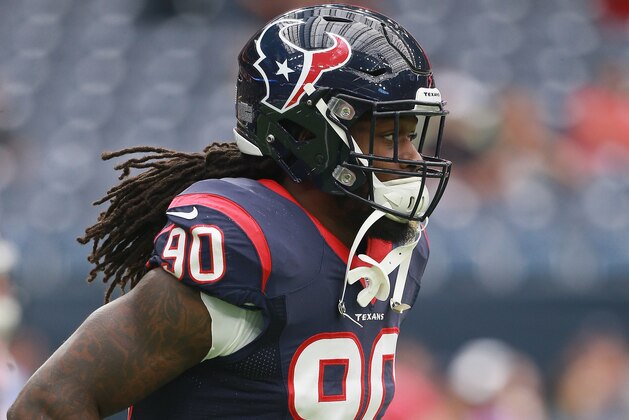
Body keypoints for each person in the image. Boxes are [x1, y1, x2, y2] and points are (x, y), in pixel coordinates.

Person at [9, 4, 451, 419]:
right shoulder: (251, 243)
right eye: (390, 136)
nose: (411, 156)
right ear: (306, 134)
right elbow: (50, 402)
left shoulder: (393, 247)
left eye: (412, 135)